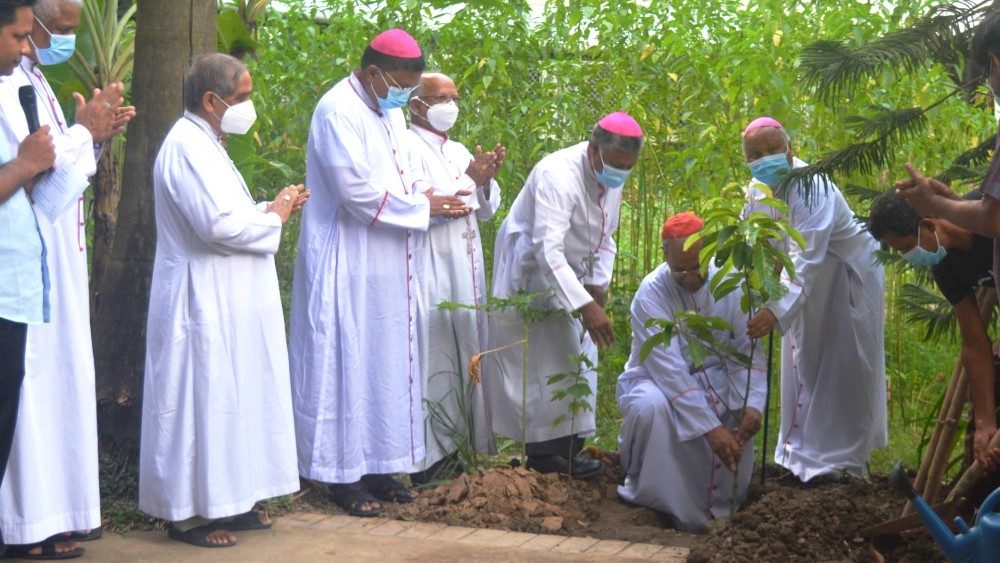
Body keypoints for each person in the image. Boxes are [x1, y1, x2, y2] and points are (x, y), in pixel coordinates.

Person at [290, 29, 471, 517]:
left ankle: (380, 466)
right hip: (347, 258)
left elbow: (405, 171)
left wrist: (426, 196)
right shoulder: (337, 111)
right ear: (374, 73)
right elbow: (354, 192)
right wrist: (421, 207)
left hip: (389, 257)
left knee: (385, 362)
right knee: (348, 361)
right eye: (402, 85)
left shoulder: (389, 111)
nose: (406, 95)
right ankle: (340, 474)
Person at [139, 53, 307, 548]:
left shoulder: (208, 142)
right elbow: (214, 226)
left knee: (232, 398)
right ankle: (188, 514)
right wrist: (274, 216)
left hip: (226, 296)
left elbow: (229, 212)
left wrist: (270, 208)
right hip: (199, 297)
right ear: (211, 101)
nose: (248, 106)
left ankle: (232, 500)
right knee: (199, 402)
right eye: (242, 97)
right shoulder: (185, 145)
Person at [0, 0, 134, 557]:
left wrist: (92, 140)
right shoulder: (11, 84)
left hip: (42, 265)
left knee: (39, 392)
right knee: (22, 396)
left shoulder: (29, 81)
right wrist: (78, 138)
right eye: (25, 35)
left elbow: (50, 171)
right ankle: (23, 524)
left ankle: (50, 515)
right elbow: (32, 170)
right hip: (16, 269)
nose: (32, 47)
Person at [487, 111, 644, 479]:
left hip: (576, 274)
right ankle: (543, 455)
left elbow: (606, 238)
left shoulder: (612, 175)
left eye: (628, 167)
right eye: (616, 164)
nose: (621, 173)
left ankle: (571, 449)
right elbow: (548, 249)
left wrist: (598, 287)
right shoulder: (556, 174)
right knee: (546, 360)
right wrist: (585, 304)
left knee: (580, 357)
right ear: (593, 150)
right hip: (533, 272)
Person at [741, 116, 887, 482]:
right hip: (808, 284)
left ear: (790, 148)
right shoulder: (756, 191)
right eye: (755, 154)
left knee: (843, 367)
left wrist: (775, 309)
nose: (765, 158)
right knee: (803, 362)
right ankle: (800, 456)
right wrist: (764, 287)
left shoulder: (812, 185)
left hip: (846, 277)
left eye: (773, 149)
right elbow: (760, 243)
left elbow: (805, 253)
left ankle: (842, 463)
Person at [617, 212, 765, 533]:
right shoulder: (651, 293)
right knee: (650, 407)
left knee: (738, 406)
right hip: (657, 379)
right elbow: (668, 369)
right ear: (665, 257)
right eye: (680, 270)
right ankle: (661, 502)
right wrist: (709, 428)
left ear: (709, 251)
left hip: (721, 374)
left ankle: (728, 507)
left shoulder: (731, 281)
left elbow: (745, 349)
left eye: (696, 268)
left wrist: (753, 403)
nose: (689, 278)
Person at [404, 72, 504, 483]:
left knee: (467, 347)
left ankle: (463, 446)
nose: (451, 106)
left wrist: (486, 181)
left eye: (454, 98)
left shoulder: (459, 149)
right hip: (434, 263)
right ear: (417, 105)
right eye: (441, 98)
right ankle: (430, 458)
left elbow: (487, 209)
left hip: (467, 263)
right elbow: (432, 204)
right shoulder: (407, 147)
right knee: (439, 352)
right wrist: (470, 181)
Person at [868, 190, 1000, 470]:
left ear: (928, 225)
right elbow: (974, 341)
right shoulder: (944, 265)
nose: (907, 258)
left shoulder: (988, 217)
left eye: (906, 248)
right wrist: (985, 421)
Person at [0, 0, 56, 557]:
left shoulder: (8, 90)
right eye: (18, 37)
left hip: (12, 287)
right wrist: (24, 164)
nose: (25, 50)